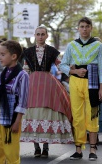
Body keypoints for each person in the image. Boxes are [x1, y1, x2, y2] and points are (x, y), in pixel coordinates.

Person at [20, 25, 73, 158]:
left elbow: (60, 65)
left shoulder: (52, 51)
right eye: (38, 34)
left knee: (47, 112)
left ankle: (46, 147)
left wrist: (72, 70)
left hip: (48, 84)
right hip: (33, 83)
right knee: (33, 111)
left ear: (47, 35)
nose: (40, 37)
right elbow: (26, 69)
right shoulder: (28, 51)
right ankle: (36, 147)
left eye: (43, 34)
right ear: (35, 35)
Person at [59, 17, 102, 161]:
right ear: (78, 28)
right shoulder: (72, 45)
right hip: (75, 82)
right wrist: (74, 72)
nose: (84, 29)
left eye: (87, 26)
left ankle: (92, 149)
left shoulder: (98, 45)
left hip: (92, 82)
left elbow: (101, 69)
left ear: (91, 28)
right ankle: (78, 149)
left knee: (92, 115)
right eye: (82, 26)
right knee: (77, 117)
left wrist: (101, 88)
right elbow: (62, 65)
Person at [0, 40, 29, 164]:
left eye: (3, 54)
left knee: (11, 153)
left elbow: (23, 101)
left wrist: (18, 121)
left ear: (13, 56)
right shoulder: (2, 73)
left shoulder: (23, 75)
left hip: (12, 117)